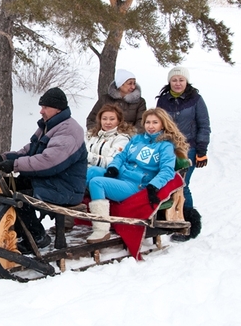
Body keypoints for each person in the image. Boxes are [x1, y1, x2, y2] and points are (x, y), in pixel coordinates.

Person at [0, 87, 88, 253]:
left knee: (21, 196)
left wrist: (15, 165)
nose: (41, 111)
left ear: (58, 109)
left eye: (45, 107)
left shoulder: (69, 130)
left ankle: (37, 236)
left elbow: (49, 162)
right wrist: (3, 158)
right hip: (49, 182)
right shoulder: (49, 126)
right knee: (6, 187)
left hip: (66, 187)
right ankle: (15, 231)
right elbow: (29, 151)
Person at [85, 108, 189, 243]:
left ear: (162, 124)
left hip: (135, 184)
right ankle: (75, 211)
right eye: (147, 122)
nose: (150, 126)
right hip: (121, 175)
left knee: (97, 182)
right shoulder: (137, 139)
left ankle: (101, 229)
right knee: (92, 171)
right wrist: (113, 168)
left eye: (155, 122)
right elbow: (121, 156)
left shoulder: (165, 146)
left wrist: (154, 185)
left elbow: (167, 170)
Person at [156, 66, 209, 241]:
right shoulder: (163, 101)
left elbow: (204, 125)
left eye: (181, 80)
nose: (178, 83)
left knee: (182, 184)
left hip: (188, 149)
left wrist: (201, 151)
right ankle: (169, 219)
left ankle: (188, 225)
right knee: (167, 183)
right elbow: (158, 123)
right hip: (167, 148)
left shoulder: (196, 100)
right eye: (174, 80)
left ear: (186, 81)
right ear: (169, 82)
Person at [86, 69, 147, 133]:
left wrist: (130, 136)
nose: (133, 87)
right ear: (120, 84)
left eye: (134, 83)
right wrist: (98, 133)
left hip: (129, 139)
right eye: (130, 83)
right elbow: (91, 119)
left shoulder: (140, 102)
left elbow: (141, 122)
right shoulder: (105, 99)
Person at [86, 104, 136, 170]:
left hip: (106, 173)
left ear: (119, 121)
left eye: (112, 119)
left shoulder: (122, 139)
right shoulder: (94, 135)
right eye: (104, 119)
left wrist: (88, 156)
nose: (108, 122)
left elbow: (112, 161)